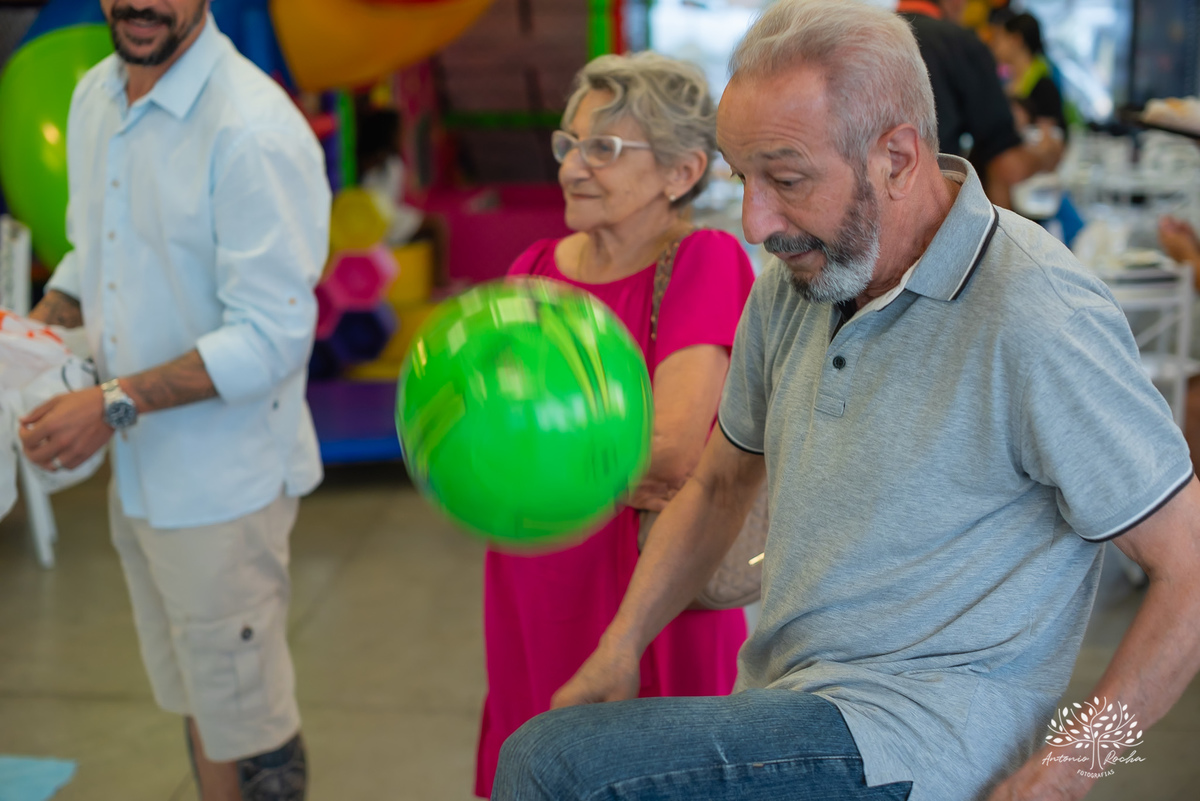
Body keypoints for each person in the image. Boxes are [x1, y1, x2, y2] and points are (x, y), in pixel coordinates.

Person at [491, 2, 1200, 800]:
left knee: (551, 763)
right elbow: (721, 485)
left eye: (786, 180)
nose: (757, 220)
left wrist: (1067, 773)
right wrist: (620, 645)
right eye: (742, 179)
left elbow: (1191, 570)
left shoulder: (1037, 313)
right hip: (791, 703)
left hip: (921, 742)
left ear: (898, 156)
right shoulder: (793, 288)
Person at [18, 2, 329, 799]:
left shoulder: (253, 129)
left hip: (225, 484)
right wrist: (39, 333)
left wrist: (108, 403)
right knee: (202, 700)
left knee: (252, 725)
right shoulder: (97, 94)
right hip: (145, 471)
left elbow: (271, 337)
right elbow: (100, 247)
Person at [475, 51, 754, 798]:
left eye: (604, 148)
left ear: (680, 170)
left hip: (646, 585)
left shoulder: (705, 260)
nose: (571, 167)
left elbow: (669, 451)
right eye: (569, 144)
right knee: (537, 758)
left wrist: (514, 453)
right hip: (534, 578)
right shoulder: (533, 267)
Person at [898, 0, 1061, 209]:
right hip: (931, 217)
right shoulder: (958, 43)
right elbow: (1007, 166)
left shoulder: (867, 39)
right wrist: (1048, 154)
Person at [991, 12, 1068, 136]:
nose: (993, 45)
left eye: (999, 38)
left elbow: (1048, 141)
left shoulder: (1044, 87)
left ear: (1016, 40)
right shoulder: (1008, 81)